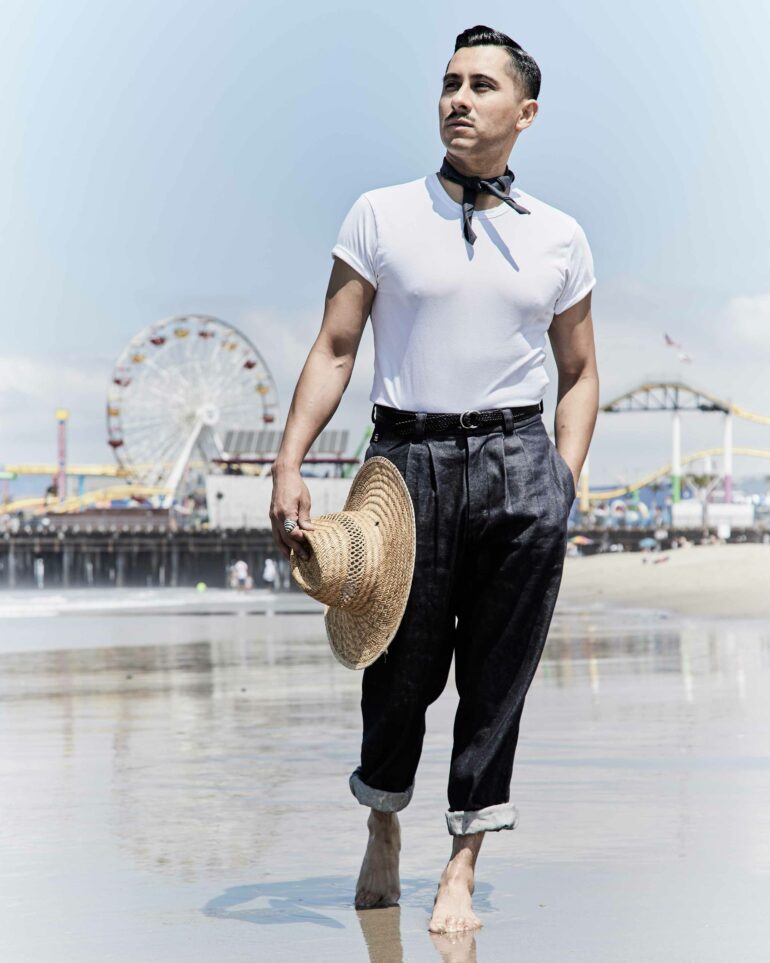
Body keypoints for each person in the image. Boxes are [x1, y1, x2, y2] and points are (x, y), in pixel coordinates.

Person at [269, 24, 599, 935]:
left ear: (525, 113)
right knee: (397, 671)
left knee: (498, 680)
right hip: (406, 464)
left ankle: (461, 865)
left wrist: (561, 483)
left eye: (483, 85)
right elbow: (336, 348)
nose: (459, 98)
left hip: (518, 464)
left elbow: (579, 372)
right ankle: (383, 822)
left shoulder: (560, 237)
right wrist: (290, 460)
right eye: (451, 82)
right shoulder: (380, 214)